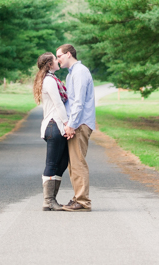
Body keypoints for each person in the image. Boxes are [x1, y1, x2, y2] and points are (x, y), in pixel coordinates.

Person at [56, 43, 95, 212]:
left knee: (78, 163)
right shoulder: (72, 74)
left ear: (69, 54)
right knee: (73, 164)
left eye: (59, 56)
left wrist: (71, 124)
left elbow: (78, 102)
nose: (58, 60)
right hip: (76, 123)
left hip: (79, 124)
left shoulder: (79, 72)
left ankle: (83, 201)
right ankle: (78, 197)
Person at [33, 52, 71, 211]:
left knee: (62, 162)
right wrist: (67, 123)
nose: (57, 61)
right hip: (54, 125)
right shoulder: (49, 81)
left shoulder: (53, 79)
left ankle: (51, 200)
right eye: (55, 59)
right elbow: (58, 104)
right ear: (49, 64)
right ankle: (48, 201)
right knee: (52, 163)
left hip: (57, 125)